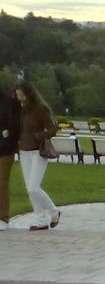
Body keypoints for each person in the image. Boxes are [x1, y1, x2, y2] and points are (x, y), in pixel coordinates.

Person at [15, 82, 59, 231]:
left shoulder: (41, 108)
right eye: (18, 95)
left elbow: (53, 128)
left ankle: (53, 211)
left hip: (38, 152)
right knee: (30, 189)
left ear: (29, 94)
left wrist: (39, 136)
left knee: (34, 187)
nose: (20, 98)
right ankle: (41, 219)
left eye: (22, 95)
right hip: (24, 152)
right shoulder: (20, 110)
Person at [0, 87, 21, 231]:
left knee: (1, 183)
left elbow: (14, 129)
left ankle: (3, 217)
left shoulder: (10, 103)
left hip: (5, 150)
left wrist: (6, 140)